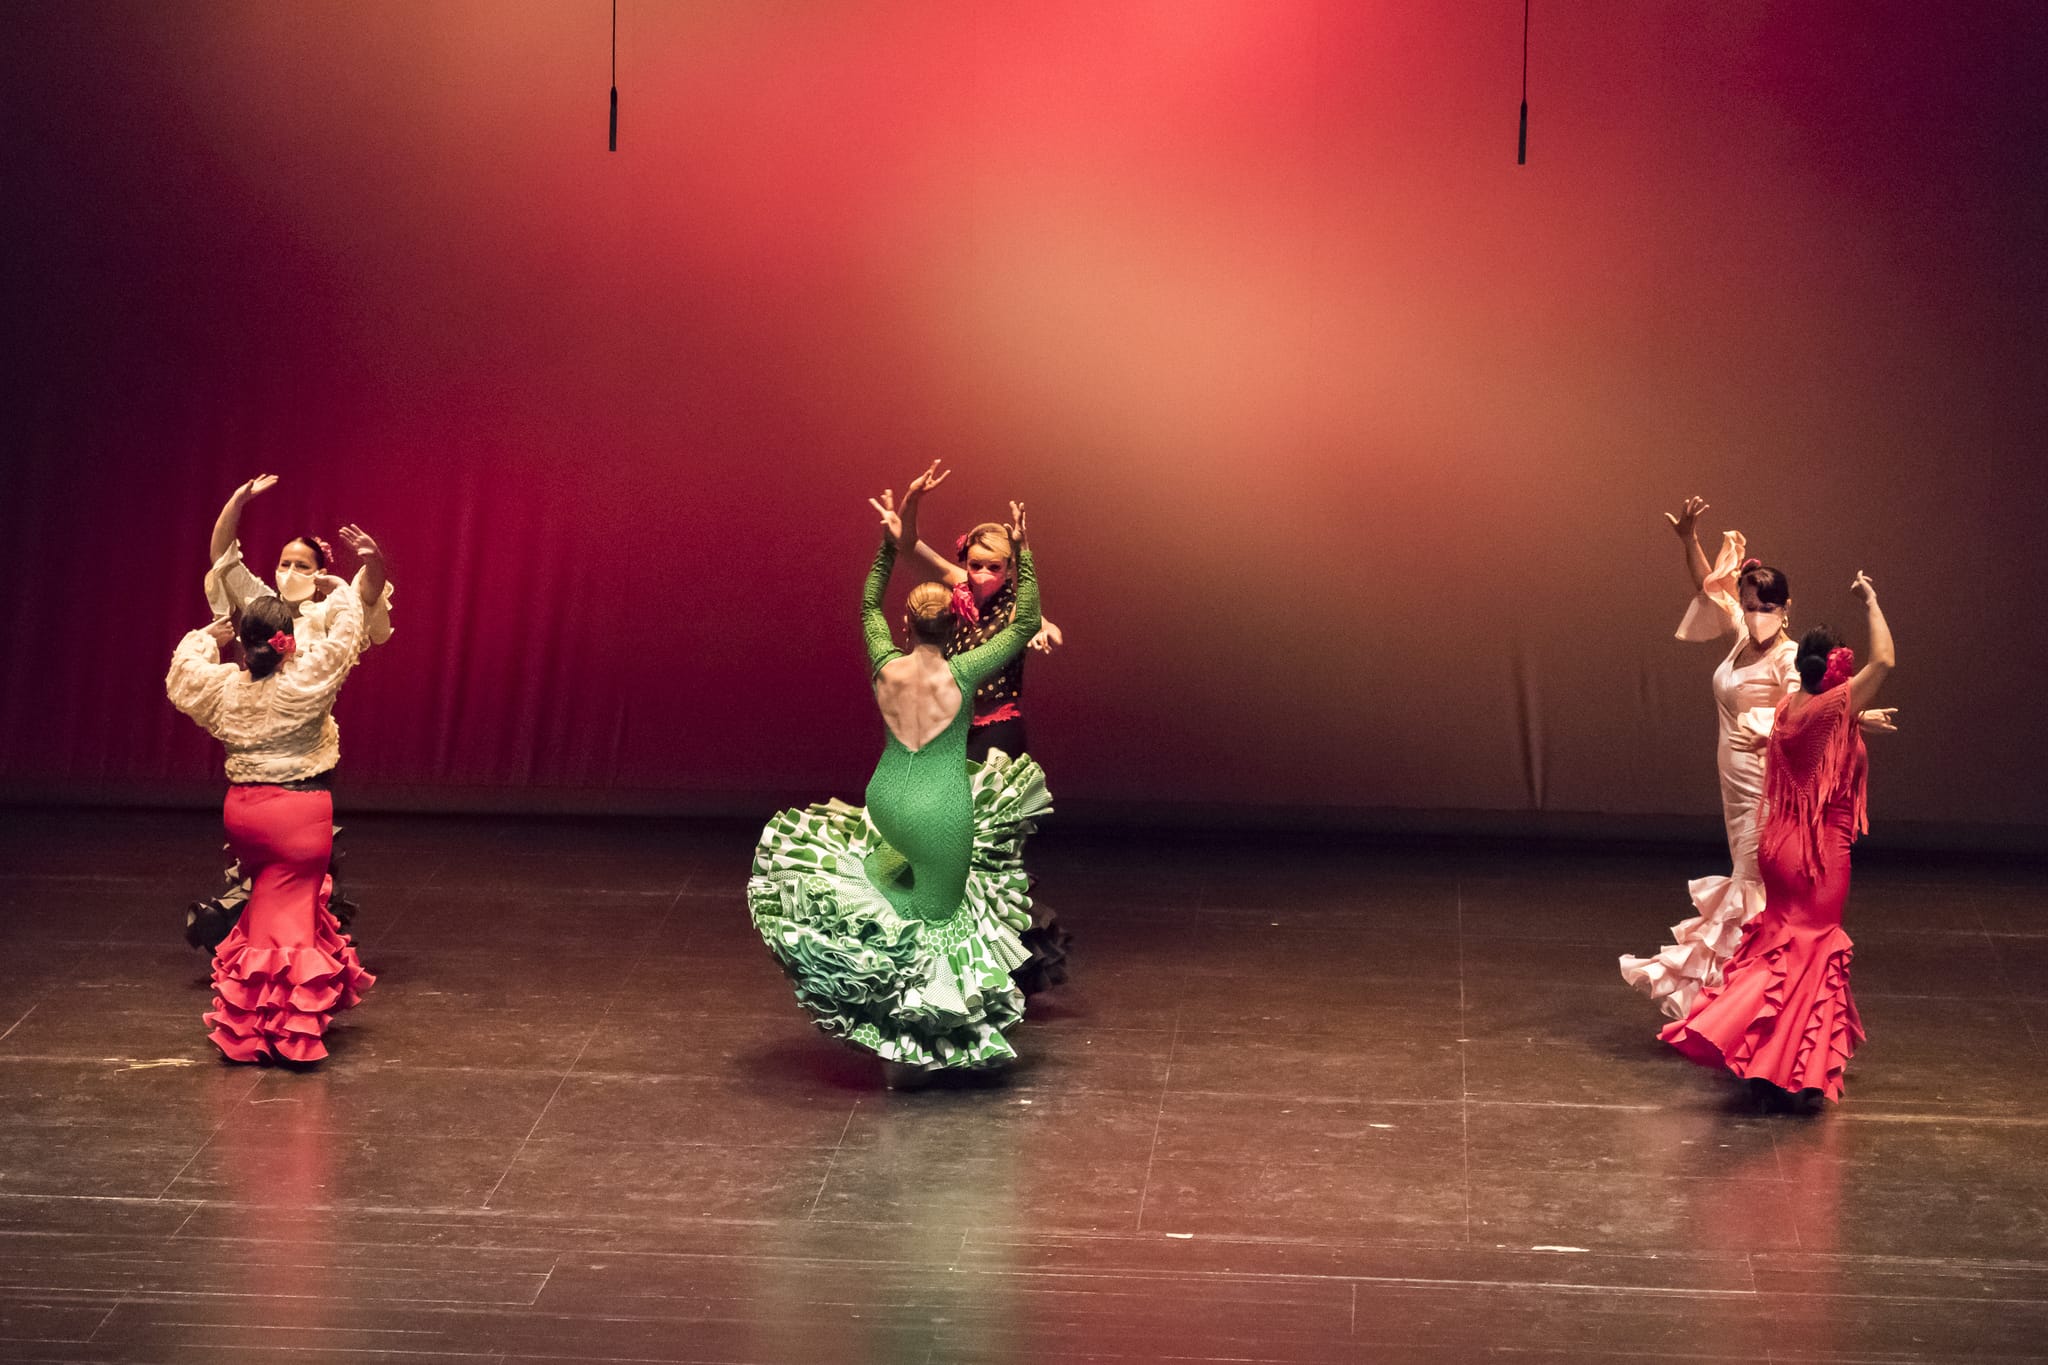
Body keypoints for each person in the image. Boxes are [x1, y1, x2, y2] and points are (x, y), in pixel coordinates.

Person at [747, 467, 1050, 1081]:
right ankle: (907, 1047)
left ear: (907, 625)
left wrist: (888, 545)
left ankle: (880, 1004)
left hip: (885, 798)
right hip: (939, 810)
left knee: (889, 893)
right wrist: (1024, 552)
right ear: (954, 626)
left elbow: (867, 605)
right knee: (937, 927)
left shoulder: (884, 662)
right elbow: (1024, 625)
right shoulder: (965, 671)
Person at [1621, 497, 1893, 1017]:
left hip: (1769, 781)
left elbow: (1804, 712)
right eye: (1749, 606)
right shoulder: (1740, 641)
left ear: (1786, 607)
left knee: (1753, 882)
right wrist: (1689, 541)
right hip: (1734, 778)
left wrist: (1854, 715)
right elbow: (1709, 589)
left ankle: (1745, 1001)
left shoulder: (1788, 657)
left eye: (1767, 608)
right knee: (1744, 874)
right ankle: (1738, 995)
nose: (1756, 615)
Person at [1660, 572, 1895, 1108]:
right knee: (1815, 951)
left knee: (1779, 951)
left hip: (1777, 846)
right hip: (1816, 853)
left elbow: (1811, 729)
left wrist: (1859, 718)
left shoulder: (1792, 711)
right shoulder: (1826, 711)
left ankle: (1762, 1057)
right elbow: (1884, 661)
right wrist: (1872, 601)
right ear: (1837, 673)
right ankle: (1788, 1064)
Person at [166, 578, 377, 1063]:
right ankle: (285, 1034)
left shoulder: (226, 689)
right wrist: (342, 592)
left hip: (244, 815)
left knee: (270, 913)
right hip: (294, 818)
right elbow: (344, 642)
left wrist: (207, 637)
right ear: (288, 641)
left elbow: (184, 675)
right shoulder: (300, 685)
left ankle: (254, 1022)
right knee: (288, 929)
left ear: (245, 644)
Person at [185, 475, 392, 950]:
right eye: (285, 563)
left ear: (319, 572)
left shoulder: (331, 613)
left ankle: (293, 940)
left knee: (303, 858)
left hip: (305, 747)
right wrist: (236, 502)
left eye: (302, 564)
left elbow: (364, 596)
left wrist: (373, 562)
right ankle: (253, 934)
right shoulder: (262, 606)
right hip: (257, 738)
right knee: (258, 855)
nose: (290, 571)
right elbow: (223, 557)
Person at [883, 491, 1070, 992]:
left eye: (995, 567)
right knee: (946, 837)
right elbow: (910, 545)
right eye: (976, 565)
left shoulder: (1015, 609)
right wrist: (911, 503)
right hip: (957, 731)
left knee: (987, 837)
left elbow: (1041, 622)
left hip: (999, 728)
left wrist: (1044, 630)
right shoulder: (958, 589)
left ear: (1009, 570)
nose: (984, 575)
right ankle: (950, 950)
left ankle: (1008, 957)